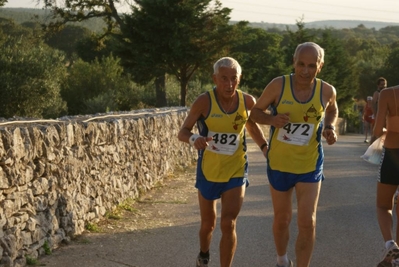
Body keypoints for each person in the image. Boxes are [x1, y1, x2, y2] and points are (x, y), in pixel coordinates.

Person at [249, 42, 338, 267]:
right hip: (280, 163)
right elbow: (254, 114)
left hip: (310, 165)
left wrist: (330, 126)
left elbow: (332, 108)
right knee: (282, 220)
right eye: (301, 64)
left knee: (307, 222)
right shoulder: (278, 86)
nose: (305, 71)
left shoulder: (326, 90)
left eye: (311, 65)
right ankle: (281, 260)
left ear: (320, 65)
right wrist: (271, 120)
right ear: (294, 62)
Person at [177, 57, 268, 267]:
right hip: (209, 169)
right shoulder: (204, 102)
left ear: (239, 79)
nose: (229, 84)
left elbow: (252, 126)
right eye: (224, 79)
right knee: (208, 225)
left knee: (228, 223)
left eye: (233, 79)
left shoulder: (247, 102)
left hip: (236, 169)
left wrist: (265, 147)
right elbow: (183, 132)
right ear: (215, 78)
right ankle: (204, 253)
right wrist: (195, 139)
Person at [373, 85, 399, 267]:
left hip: (392, 154)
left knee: (383, 205)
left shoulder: (388, 94)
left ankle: (390, 243)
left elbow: (376, 131)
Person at [370, 77, 388, 144]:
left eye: (385, 84)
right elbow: (372, 104)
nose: (384, 86)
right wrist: (376, 115)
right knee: (376, 133)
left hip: (386, 116)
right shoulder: (377, 93)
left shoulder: (386, 93)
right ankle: (370, 149)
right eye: (382, 84)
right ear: (378, 85)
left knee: (386, 132)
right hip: (379, 116)